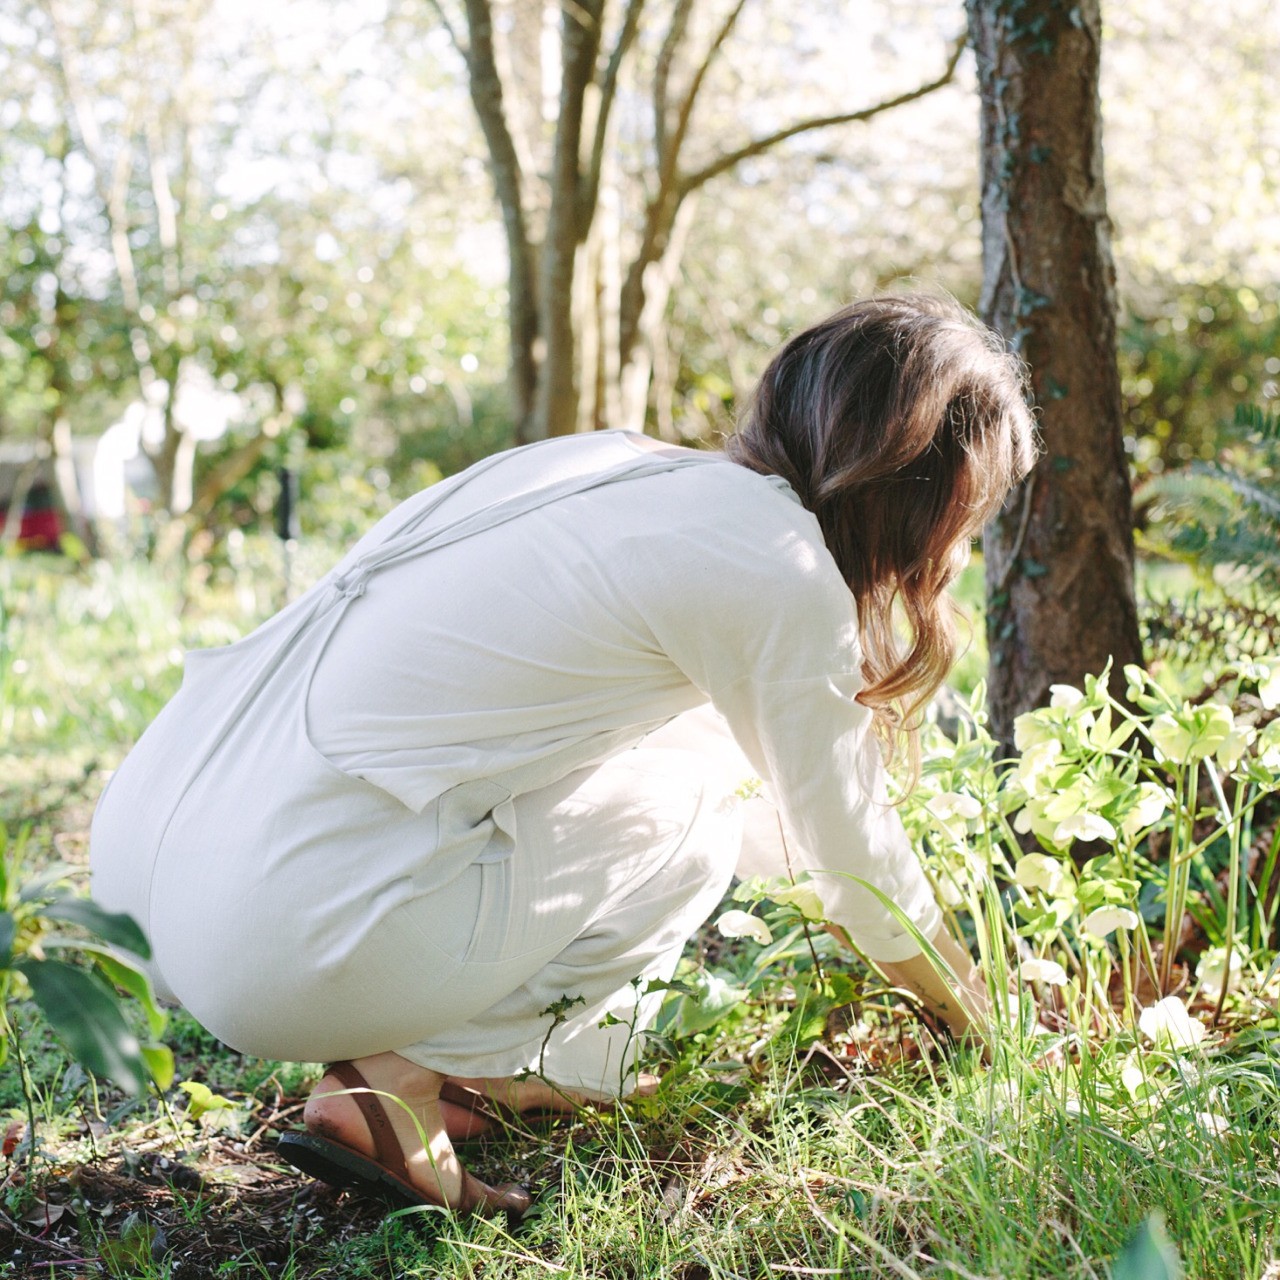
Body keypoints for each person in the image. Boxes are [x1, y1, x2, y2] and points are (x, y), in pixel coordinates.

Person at [90, 293, 1036, 1218]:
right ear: (924, 494)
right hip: (270, 939)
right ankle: (408, 1075)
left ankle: (500, 1068)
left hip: (141, 871)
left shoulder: (608, 462)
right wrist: (980, 1012)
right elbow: (845, 861)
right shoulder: (773, 565)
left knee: (698, 774)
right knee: (702, 808)